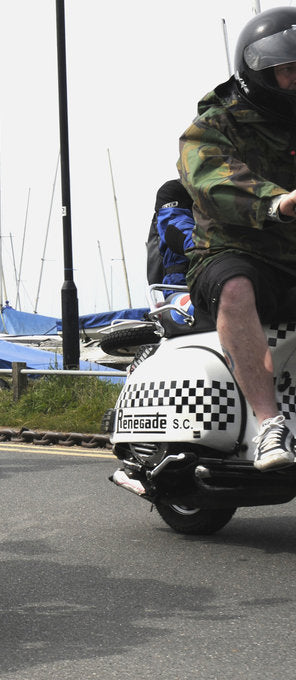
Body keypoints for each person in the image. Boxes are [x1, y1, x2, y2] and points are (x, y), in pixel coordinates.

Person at [178, 6, 296, 472]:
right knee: (235, 286)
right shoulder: (217, 121)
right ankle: (270, 426)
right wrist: (277, 201)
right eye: (288, 71)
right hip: (232, 251)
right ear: (260, 73)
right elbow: (208, 175)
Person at [145, 179, 195, 286]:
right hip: (181, 280)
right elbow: (174, 228)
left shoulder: (226, 189)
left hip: (217, 272)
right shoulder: (173, 189)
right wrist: (206, 246)